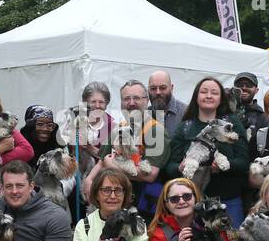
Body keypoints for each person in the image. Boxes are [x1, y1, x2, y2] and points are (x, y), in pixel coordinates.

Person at [165, 76, 252, 226]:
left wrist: (225, 165)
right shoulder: (185, 127)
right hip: (191, 204)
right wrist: (180, 167)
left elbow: (244, 162)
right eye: (204, 92)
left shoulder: (231, 124)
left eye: (214, 92)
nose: (209, 96)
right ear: (196, 97)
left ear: (221, 99)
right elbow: (170, 166)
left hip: (227, 202)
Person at [83, 80, 170, 215]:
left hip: (142, 205)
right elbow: (102, 160)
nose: (131, 103)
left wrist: (112, 165)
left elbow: (150, 175)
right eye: (126, 99)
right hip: (114, 201)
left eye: (136, 98)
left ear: (147, 101)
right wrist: (89, 180)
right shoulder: (120, 127)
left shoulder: (155, 131)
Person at [73, 81, 114, 176]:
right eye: (93, 102)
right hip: (75, 174)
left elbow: (113, 159)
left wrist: (89, 147)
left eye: (101, 102)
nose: (97, 106)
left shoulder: (112, 126)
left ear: (106, 104)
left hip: (102, 175)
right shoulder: (76, 121)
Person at [147, 70, 188, 137]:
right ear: (148, 90)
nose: (158, 92)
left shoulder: (186, 113)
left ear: (171, 88)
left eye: (163, 88)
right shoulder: (145, 115)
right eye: (153, 88)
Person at [232, 71, 268, 136]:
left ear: (256, 90)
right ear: (233, 89)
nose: (244, 88)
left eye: (249, 85)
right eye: (239, 85)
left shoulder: (263, 118)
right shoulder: (225, 111)